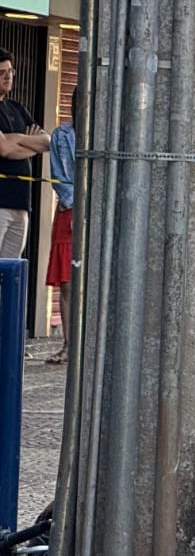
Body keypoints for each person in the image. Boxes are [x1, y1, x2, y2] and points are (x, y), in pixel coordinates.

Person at [0, 48, 51, 261]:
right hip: (0, 203)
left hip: (21, 202)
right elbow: (3, 149)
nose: (8, 76)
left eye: (11, 71)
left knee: (11, 271)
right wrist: (29, 144)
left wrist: (16, 138)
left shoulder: (17, 108)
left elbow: (47, 142)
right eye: (2, 72)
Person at [45, 88, 79, 365]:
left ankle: (85, 342)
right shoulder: (61, 135)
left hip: (96, 212)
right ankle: (68, 344)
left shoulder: (110, 131)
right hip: (69, 211)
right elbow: (59, 175)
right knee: (67, 282)